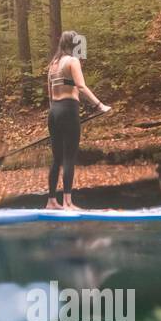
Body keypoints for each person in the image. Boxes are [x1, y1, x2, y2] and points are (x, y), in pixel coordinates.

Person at [45, 31, 110, 210]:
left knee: (56, 158)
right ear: (74, 45)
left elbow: (50, 95)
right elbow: (80, 86)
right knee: (69, 157)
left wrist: (55, 113)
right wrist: (99, 105)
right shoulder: (72, 61)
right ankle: (67, 203)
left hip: (54, 112)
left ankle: (51, 201)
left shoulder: (53, 64)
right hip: (68, 109)